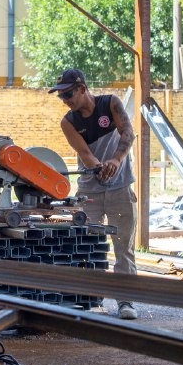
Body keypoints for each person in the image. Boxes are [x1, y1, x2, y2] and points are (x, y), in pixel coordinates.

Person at [50, 69, 138, 320]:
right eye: (61, 96)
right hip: (90, 190)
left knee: (124, 248)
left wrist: (116, 161)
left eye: (67, 94)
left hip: (120, 187)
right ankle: (90, 300)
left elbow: (128, 133)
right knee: (87, 246)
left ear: (82, 88)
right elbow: (85, 155)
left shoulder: (111, 103)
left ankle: (125, 301)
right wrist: (99, 167)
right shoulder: (68, 122)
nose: (65, 100)